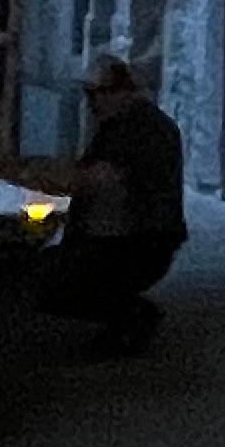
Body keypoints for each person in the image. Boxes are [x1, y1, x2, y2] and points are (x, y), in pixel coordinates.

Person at [22, 58, 187, 351]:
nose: (91, 104)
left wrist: (40, 180)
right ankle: (124, 314)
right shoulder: (127, 124)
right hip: (129, 239)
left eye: (95, 94)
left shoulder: (140, 129)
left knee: (40, 281)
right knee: (47, 273)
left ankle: (129, 314)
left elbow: (95, 179)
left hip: (133, 243)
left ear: (119, 91)